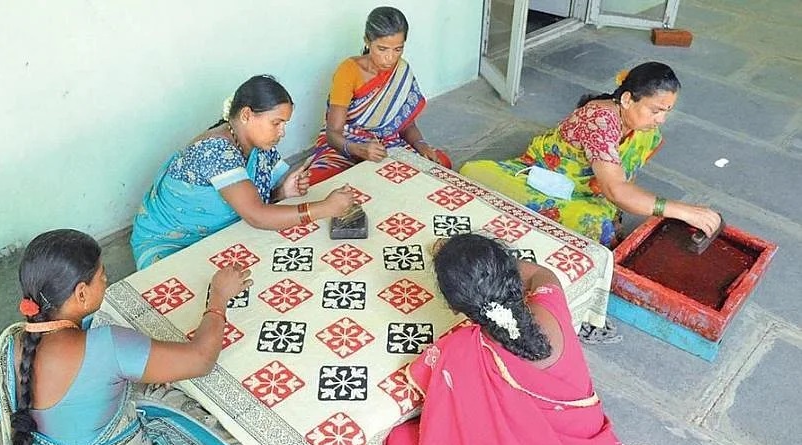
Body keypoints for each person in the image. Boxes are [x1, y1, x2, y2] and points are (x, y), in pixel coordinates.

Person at [0, 229, 251, 445]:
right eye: (102, 276)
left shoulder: (9, 343)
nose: (106, 280)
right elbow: (201, 359)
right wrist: (218, 296)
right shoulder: (108, 346)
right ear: (81, 294)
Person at [384, 233, 621, 445]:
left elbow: (439, 396)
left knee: (398, 438)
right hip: (586, 442)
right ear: (511, 275)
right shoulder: (550, 308)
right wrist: (490, 268)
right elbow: (541, 273)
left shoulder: (460, 348)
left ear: (454, 308)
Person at [460, 62, 721, 248]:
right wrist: (678, 210)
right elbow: (617, 190)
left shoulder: (645, 130)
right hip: (547, 174)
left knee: (596, 222)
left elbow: (622, 179)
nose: (662, 119)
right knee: (471, 174)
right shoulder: (599, 121)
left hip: (599, 186)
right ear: (628, 99)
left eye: (667, 111)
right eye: (656, 111)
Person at [130, 75, 355, 269]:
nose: (282, 132)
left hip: (218, 234)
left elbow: (252, 201)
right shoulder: (215, 150)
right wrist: (325, 208)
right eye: (276, 123)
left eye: (284, 124)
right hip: (171, 243)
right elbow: (256, 215)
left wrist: (282, 192)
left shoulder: (258, 146)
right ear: (247, 115)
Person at [306, 6, 453, 185]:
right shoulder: (348, 71)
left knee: (440, 163)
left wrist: (421, 145)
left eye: (398, 49)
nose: (390, 58)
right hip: (346, 141)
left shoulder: (401, 70)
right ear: (367, 41)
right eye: (382, 49)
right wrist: (358, 150)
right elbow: (333, 133)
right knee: (316, 182)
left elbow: (406, 125)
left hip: (387, 142)